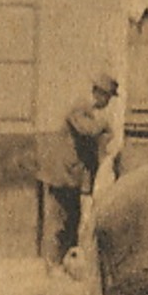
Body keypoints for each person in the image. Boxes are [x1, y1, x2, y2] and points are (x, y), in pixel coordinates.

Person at [37, 73, 117, 268]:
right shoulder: (80, 108)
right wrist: (106, 125)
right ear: (98, 93)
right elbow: (88, 130)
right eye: (107, 97)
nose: (108, 102)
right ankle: (51, 265)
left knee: (73, 221)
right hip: (62, 174)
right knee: (58, 222)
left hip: (74, 176)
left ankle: (64, 266)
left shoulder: (91, 111)